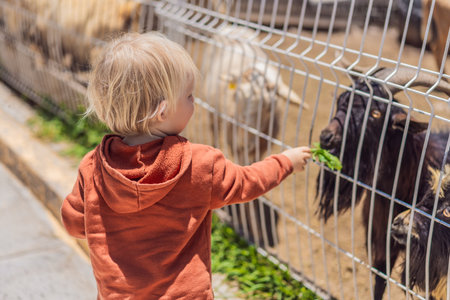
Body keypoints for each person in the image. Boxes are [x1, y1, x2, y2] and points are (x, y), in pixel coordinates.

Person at [61, 32, 311, 299]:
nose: (194, 102)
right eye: (189, 96)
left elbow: (74, 224)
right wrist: (285, 162)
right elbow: (247, 182)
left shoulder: (92, 168)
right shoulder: (200, 164)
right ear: (163, 111)